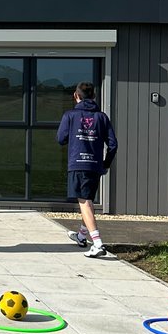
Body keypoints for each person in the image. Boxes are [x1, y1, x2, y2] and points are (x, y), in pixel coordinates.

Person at [57, 81, 117, 258]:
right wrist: (106, 163)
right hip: (95, 166)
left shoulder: (70, 115)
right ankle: (82, 236)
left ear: (76, 96)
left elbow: (60, 138)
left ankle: (97, 244)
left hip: (77, 164)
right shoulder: (102, 117)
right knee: (88, 200)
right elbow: (113, 144)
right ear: (94, 97)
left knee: (84, 202)